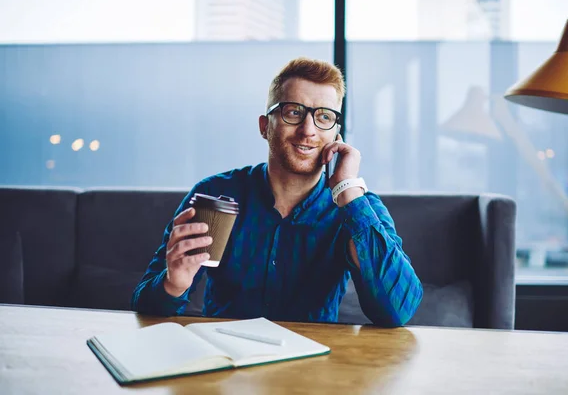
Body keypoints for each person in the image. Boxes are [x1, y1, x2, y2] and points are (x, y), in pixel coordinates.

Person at [132, 57, 423, 327]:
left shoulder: (358, 208)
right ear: (264, 126)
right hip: (228, 366)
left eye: (324, 117)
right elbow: (144, 306)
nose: (308, 130)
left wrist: (347, 189)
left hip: (316, 369)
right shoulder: (217, 195)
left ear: (336, 133)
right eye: (293, 112)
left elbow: (397, 312)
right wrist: (173, 285)